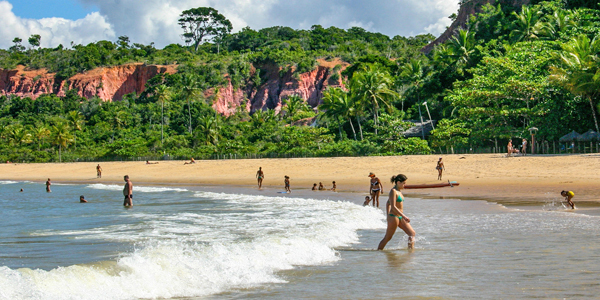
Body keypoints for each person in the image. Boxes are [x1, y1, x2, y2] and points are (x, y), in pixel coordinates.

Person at [378, 174, 416, 250]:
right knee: (388, 238)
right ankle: (378, 252)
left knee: (412, 234)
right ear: (398, 182)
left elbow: (387, 203)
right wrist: (388, 215)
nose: (405, 185)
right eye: (404, 183)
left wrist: (401, 216)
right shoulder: (393, 191)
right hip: (394, 217)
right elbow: (393, 206)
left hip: (400, 216)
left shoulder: (399, 192)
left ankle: (410, 253)